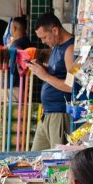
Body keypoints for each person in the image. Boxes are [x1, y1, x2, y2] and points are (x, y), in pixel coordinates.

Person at [27, 13, 74, 150]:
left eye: (44, 37)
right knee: (35, 157)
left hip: (59, 114)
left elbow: (71, 86)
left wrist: (45, 76)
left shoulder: (70, 49)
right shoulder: (56, 47)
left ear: (55, 30)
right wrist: (41, 69)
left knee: (59, 159)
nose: (43, 42)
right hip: (47, 114)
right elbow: (57, 73)